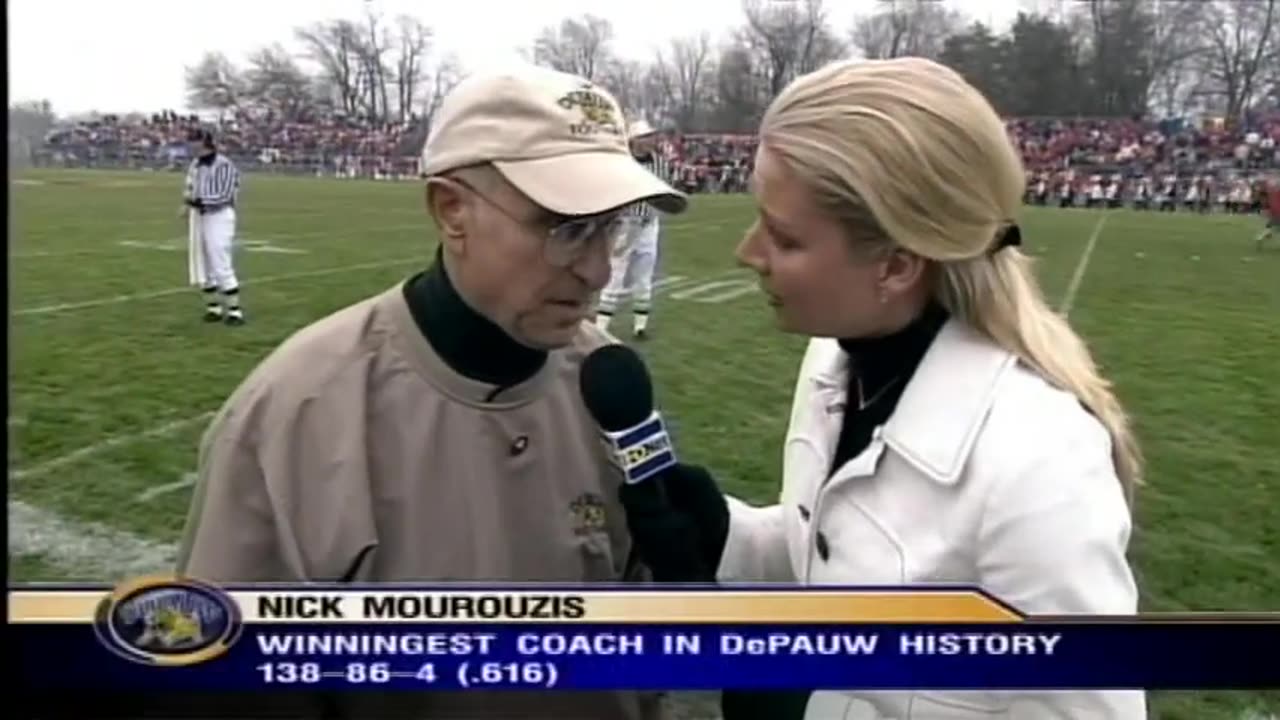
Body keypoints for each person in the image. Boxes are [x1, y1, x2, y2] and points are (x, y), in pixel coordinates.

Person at [618, 57, 1146, 719]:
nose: (748, 253)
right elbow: (846, 559)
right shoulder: (834, 361)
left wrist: (809, 706)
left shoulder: (1043, 461)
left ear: (895, 265)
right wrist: (731, 537)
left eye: (783, 237)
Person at [176, 64, 686, 719]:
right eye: (565, 227)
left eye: (609, 226)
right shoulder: (294, 414)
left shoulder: (612, 385)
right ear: (452, 210)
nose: (598, 268)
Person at [595, 120, 676, 339]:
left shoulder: (661, 163)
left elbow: (665, 190)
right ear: (634, 140)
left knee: (644, 275)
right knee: (616, 274)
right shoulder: (622, 162)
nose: (650, 141)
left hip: (649, 224)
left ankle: (640, 326)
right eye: (645, 137)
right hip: (625, 223)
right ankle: (601, 327)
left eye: (651, 136)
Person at [181, 129, 244, 325]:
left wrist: (196, 201)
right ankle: (214, 307)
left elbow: (225, 195)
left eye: (194, 141)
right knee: (202, 260)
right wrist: (188, 201)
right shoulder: (195, 165)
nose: (190, 145)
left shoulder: (224, 165)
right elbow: (189, 186)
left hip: (219, 216)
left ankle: (235, 311)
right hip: (200, 215)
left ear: (203, 142)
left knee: (220, 258)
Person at [1253, 175, 1279, 251]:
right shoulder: (1274, 192)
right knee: (1273, 228)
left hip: (1275, 212)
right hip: (1277, 212)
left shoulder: (1272, 193)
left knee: (1271, 227)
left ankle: (1262, 236)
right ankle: (1262, 236)